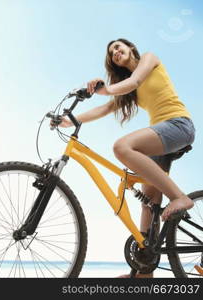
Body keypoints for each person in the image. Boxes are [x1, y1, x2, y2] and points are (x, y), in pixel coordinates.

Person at [53, 38, 196, 278]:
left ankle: (180, 198)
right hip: (160, 140)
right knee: (148, 204)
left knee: (122, 147)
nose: (116, 52)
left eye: (119, 47)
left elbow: (136, 80)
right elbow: (105, 109)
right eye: (111, 53)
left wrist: (105, 89)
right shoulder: (127, 89)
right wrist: (70, 121)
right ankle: (144, 274)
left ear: (131, 48)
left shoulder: (149, 59)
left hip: (178, 125)